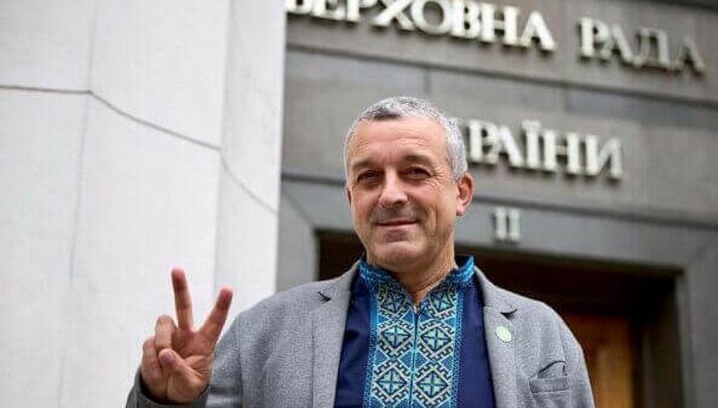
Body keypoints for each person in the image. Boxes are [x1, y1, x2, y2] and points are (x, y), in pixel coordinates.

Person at [126, 96, 595, 407]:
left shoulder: (542, 335)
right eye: (369, 177)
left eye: (415, 172)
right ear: (352, 198)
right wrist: (167, 402)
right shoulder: (264, 333)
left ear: (461, 192)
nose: (390, 195)